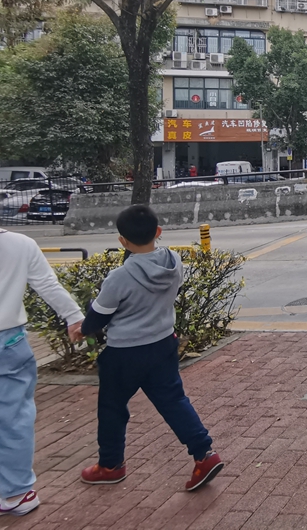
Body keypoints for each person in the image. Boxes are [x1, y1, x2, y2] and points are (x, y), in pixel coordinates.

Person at [78, 205, 224, 491]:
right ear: (158, 231)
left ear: (122, 241)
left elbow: (97, 317)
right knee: (174, 401)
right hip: (163, 344)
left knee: (112, 408)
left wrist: (82, 325)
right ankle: (204, 454)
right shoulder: (174, 261)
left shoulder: (119, 277)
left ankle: (110, 466)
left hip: (124, 353)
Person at [0, 229, 85, 517]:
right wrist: (74, 317)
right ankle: (17, 492)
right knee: (14, 418)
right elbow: (47, 284)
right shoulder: (21, 244)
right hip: (9, 340)